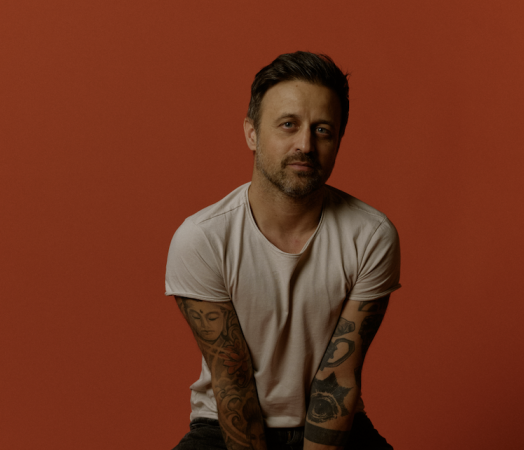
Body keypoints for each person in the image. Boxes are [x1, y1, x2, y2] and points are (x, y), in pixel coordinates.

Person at [165, 51, 401, 450]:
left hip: (333, 422)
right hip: (225, 426)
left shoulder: (371, 235)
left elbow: (338, 377)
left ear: (338, 141)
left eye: (322, 130)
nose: (305, 145)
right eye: (288, 125)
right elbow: (233, 381)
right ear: (252, 133)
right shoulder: (202, 238)